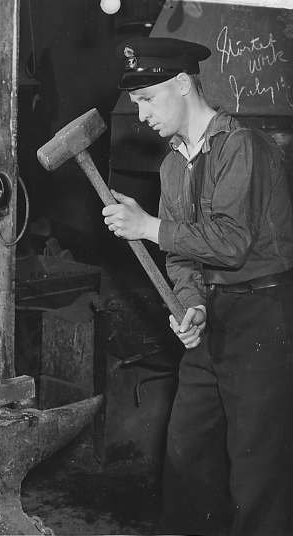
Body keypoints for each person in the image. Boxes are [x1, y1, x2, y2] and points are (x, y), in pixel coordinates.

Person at [102, 37, 293, 536]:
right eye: (135, 103)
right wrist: (193, 305)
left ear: (183, 84)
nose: (141, 115)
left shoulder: (243, 147)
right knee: (187, 453)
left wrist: (148, 226)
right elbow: (183, 258)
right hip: (213, 318)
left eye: (147, 99)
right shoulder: (171, 166)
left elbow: (231, 244)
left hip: (263, 317)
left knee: (257, 466)